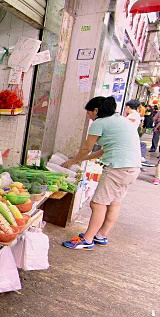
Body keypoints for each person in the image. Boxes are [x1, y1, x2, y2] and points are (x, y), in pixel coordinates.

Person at [60, 96, 141, 250]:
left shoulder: (100, 122)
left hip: (117, 168)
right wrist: (82, 160)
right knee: (114, 203)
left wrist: (72, 161)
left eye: (89, 114)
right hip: (132, 168)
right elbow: (104, 150)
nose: (89, 117)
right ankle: (101, 235)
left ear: (96, 111)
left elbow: (86, 148)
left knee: (97, 204)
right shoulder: (120, 120)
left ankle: (88, 240)